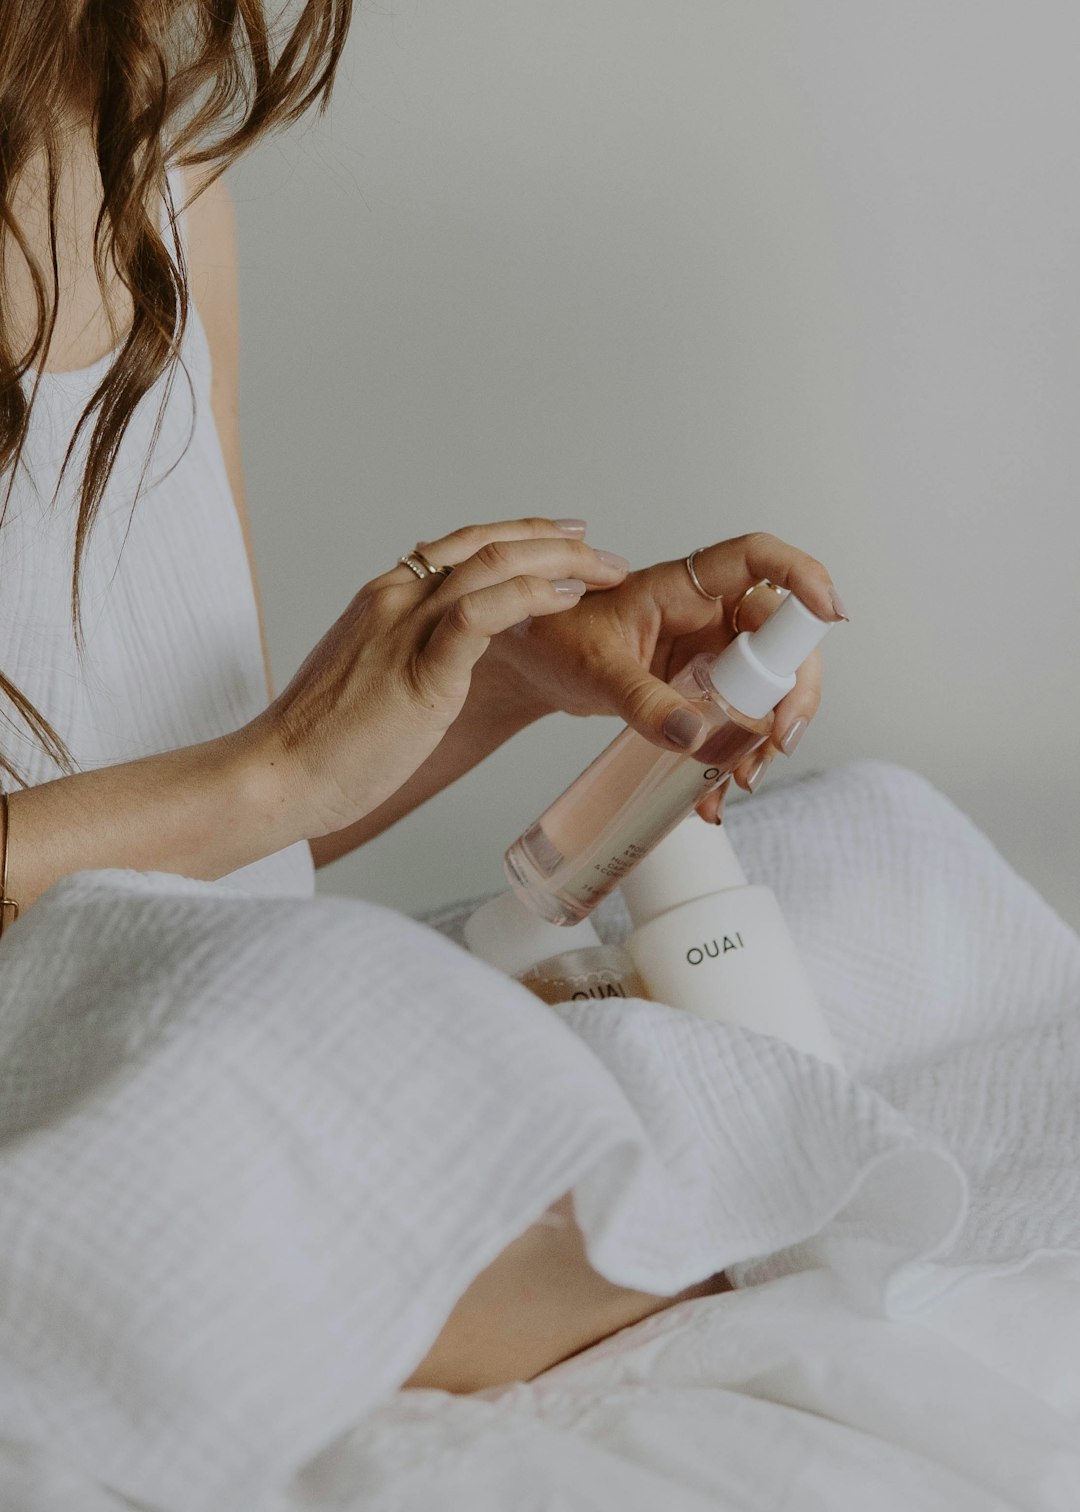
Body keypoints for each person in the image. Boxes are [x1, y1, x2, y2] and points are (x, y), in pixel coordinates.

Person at [0, 2, 846, 1393]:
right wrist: (277, 767)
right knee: (639, 1184)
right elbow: (249, 793)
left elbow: (225, 834)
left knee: (874, 839)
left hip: (233, 1007)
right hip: (126, 1077)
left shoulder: (171, 199)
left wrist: (500, 681)